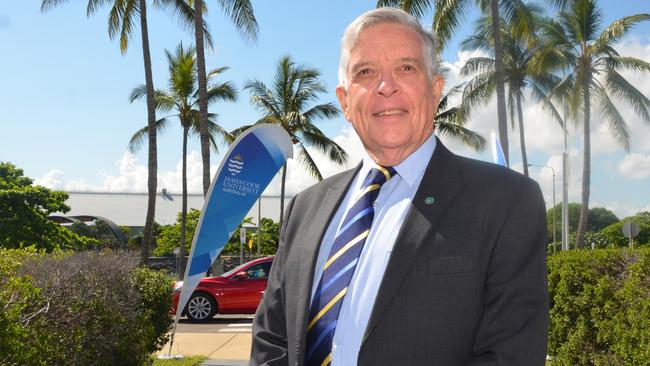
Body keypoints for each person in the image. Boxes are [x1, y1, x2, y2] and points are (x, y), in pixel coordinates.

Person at [251, 7, 548, 366]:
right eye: (366, 71)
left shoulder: (506, 201)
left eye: (406, 68)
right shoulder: (304, 208)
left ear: (435, 88)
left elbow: (510, 355)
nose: (385, 86)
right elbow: (271, 338)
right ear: (345, 101)